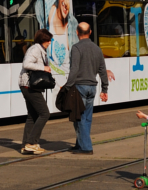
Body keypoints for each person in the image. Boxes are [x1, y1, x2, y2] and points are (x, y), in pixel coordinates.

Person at [64, 22, 109, 154]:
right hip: (92, 88)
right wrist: (104, 89)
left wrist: (67, 87)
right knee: (86, 117)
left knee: (80, 117)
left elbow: (74, 70)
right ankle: (80, 143)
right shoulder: (97, 49)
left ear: (77, 32)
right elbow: (103, 70)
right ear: (90, 32)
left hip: (79, 87)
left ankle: (86, 147)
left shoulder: (76, 48)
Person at [18, 28, 54, 155]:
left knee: (32, 116)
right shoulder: (34, 49)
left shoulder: (41, 50)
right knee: (44, 113)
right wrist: (43, 68)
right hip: (29, 86)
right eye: (48, 40)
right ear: (42, 39)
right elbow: (26, 64)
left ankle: (25, 146)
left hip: (29, 86)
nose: (50, 42)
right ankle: (31, 143)